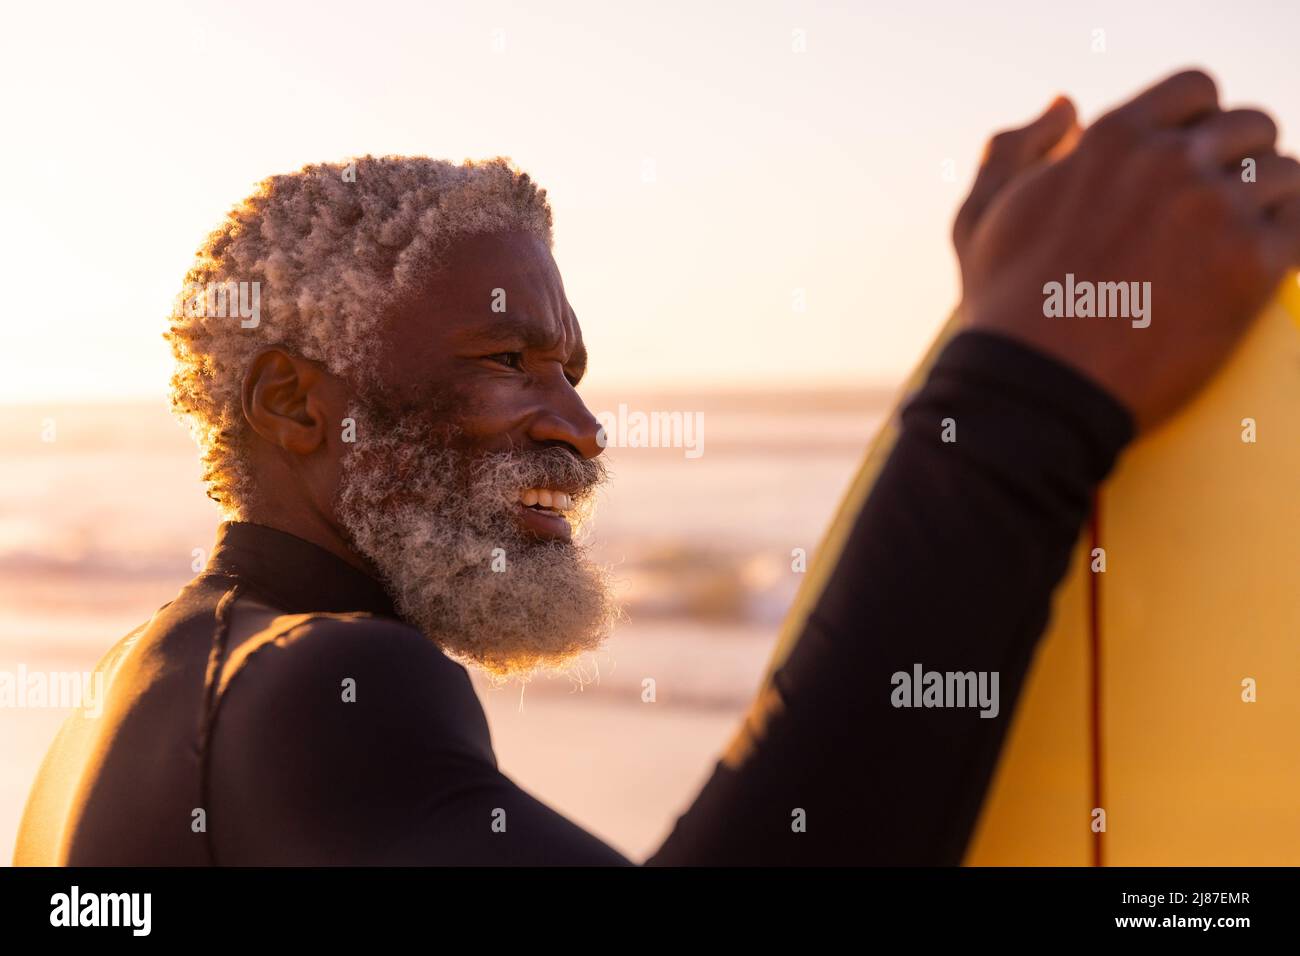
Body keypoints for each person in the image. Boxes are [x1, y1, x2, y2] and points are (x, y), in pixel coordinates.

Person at [14, 69, 1300, 865]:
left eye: (573, 368)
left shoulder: (143, 688)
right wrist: (1022, 384)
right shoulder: (326, 683)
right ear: (296, 403)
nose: (580, 426)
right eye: (507, 358)